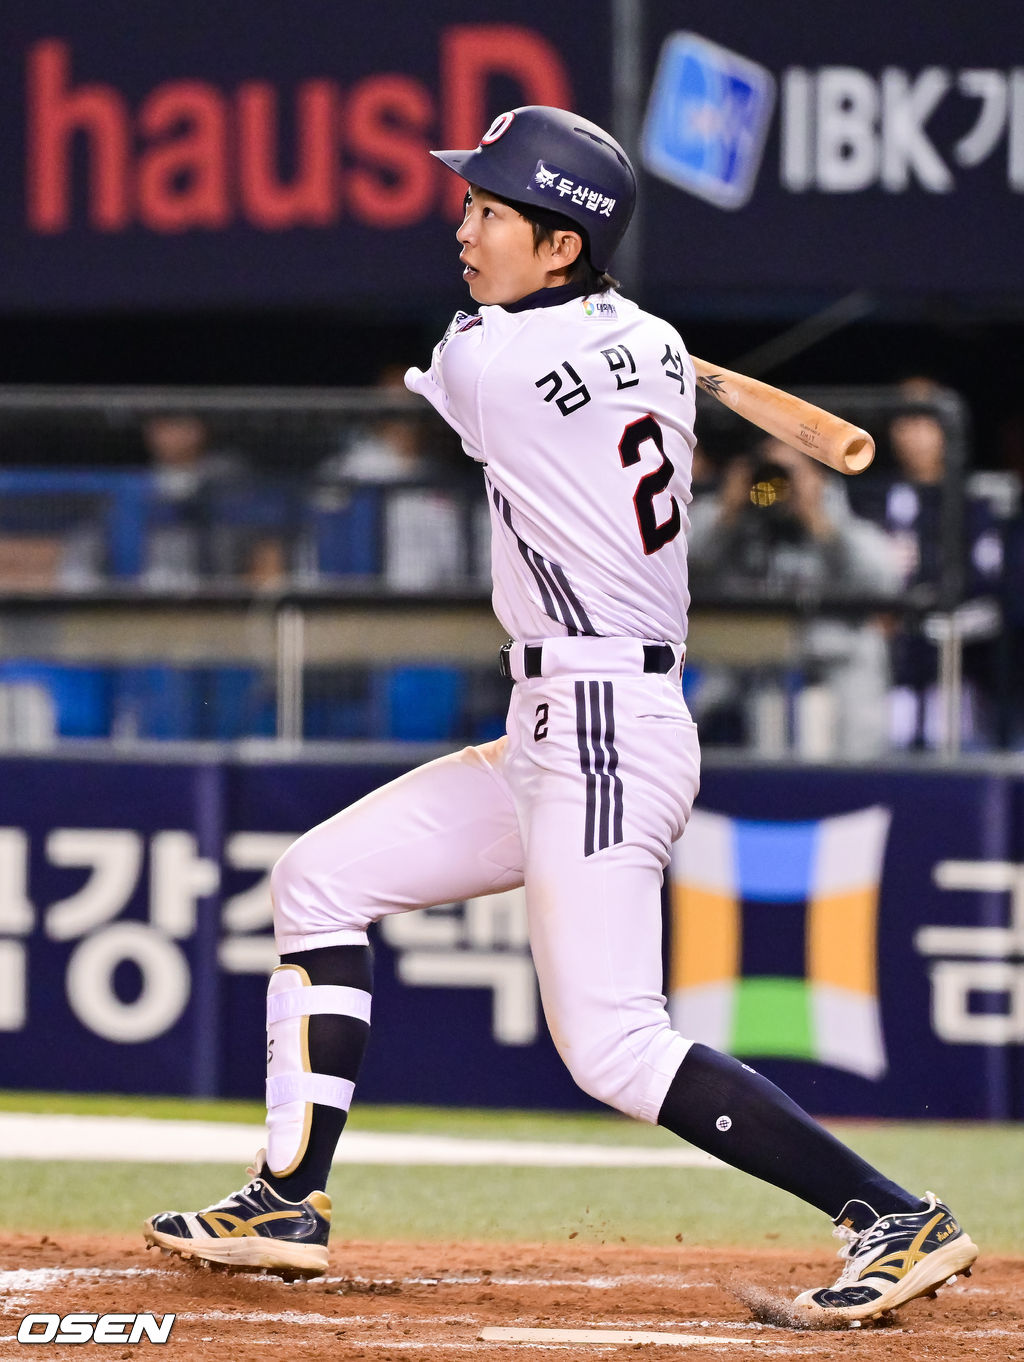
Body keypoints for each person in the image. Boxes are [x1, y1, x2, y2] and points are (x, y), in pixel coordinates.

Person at [143, 106, 977, 1326]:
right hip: (558, 720)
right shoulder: (651, 345)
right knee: (318, 880)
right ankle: (287, 1199)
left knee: (614, 1047)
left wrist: (588, 341)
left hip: (602, 726)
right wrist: (620, 341)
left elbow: (496, 370)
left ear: (562, 246)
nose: (463, 229)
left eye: (490, 211)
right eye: (470, 204)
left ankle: (891, 1215)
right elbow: (609, 363)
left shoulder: (491, 363)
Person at [687, 436, 901, 756]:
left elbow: (885, 579)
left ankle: (859, 772)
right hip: (742, 650)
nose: (778, 484)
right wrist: (726, 512)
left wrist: (820, 521)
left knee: (865, 652)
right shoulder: (732, 511)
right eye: (771, 472)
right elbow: (677, 561)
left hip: (821, 647)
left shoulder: (830, 513)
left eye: (789, 474)